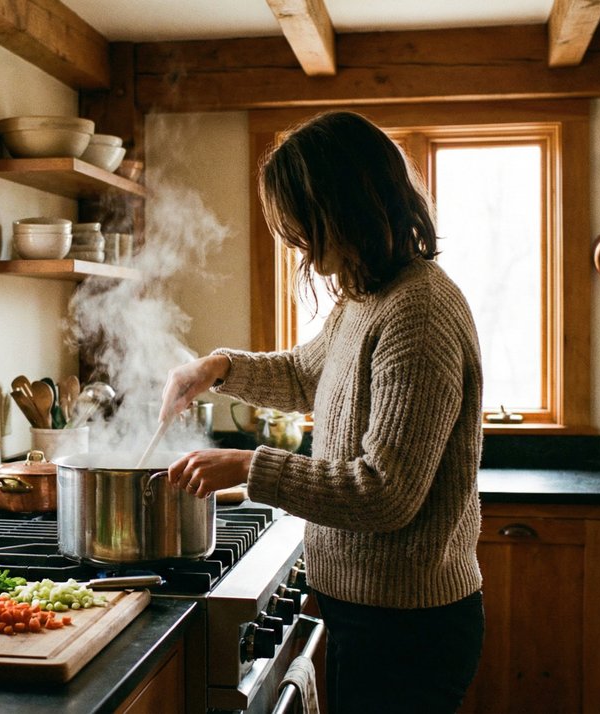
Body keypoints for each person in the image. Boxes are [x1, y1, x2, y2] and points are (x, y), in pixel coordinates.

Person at [158, 110, 485, 713]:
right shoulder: (366, 294)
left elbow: (385, 492)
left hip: (408, 629)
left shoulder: (418, 312)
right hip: (369, 613)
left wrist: (250, 467)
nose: (296, 242)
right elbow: (308, 374)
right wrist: (217, 367)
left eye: (302, 223)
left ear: (348, 206)